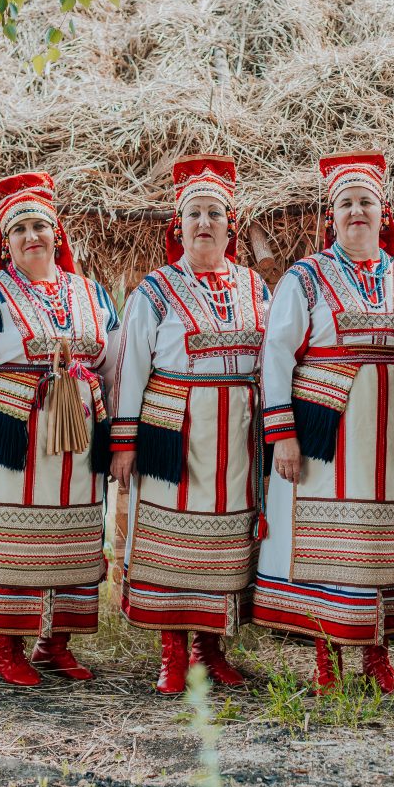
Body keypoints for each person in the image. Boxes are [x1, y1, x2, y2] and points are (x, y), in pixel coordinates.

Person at [253, 151, 394, 694]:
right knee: (332, 543)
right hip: (328, 434)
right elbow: (277, 354)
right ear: (330, 215)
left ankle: (378, 656)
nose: (356, 211)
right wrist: (282, 433)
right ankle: (327, 659)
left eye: (366, 202)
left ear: (384, 213)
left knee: (386, 542)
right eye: (345, 203)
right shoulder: (305, 278)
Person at [0, 172, 119, 685]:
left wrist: (118, 435)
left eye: (40, 225)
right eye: (19, 230)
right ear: (5, 242)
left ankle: (53, 643)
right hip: (14, 434)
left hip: (78, 438)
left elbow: (113, 363)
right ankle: (8, 646)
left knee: (73, 534)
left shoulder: (91, 293)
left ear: (56, 233)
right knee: (14, 536)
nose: (32, 236)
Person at [109, 155, 269, 694]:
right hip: (173, 430)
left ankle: (209, 648)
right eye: (194, 214)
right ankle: (173, 654)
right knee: (174, 540)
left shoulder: (255, 287)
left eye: (214, 214)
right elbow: (131, 368)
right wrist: (125, 443)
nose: (204, 223)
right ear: (179, 226)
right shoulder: (154, 291)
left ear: (231, 225)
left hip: (238, 435)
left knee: (227, 540)